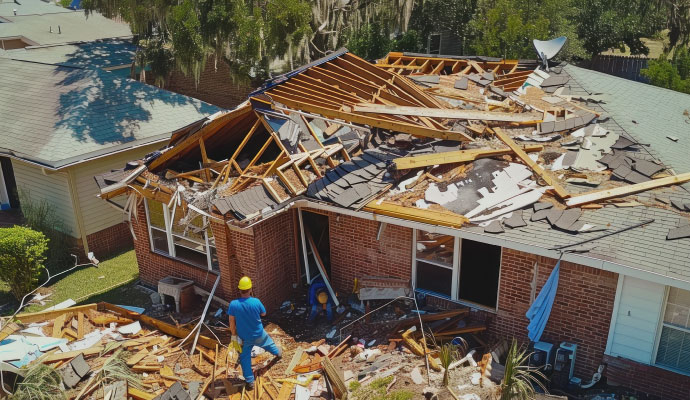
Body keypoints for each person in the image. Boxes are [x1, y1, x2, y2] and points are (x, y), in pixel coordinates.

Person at [228, 276, 281, 390]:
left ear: (240, 290)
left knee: (244, 358)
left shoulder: (233, 304)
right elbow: (263, 314)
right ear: (250, 289)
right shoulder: (256, 301)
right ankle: (278, 353)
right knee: (269, 344)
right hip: (259, 334)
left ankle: (250, 382)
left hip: (244, 338)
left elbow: (232, 322)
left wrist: (233, 335)